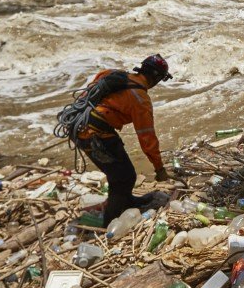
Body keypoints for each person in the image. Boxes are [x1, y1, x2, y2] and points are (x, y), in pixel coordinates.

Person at [74, 55, 172, 225]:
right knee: (124, 177)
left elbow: (89, 92)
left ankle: (125, 202)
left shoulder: (114, 74)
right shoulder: (141, 99)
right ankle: (109, 221)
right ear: (156, 78)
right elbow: (147, 137)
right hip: (95, 134)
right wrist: (159, 168)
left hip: (79, 124)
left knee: (121, 173)